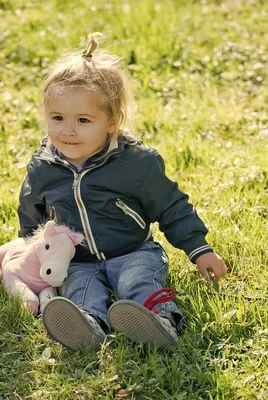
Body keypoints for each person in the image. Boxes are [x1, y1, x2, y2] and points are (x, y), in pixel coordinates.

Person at [18, 34, 227, 351]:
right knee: (81, 289)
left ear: (112, 121)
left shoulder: (136, 163)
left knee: (138, 282)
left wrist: (199, 248)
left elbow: (172, 207)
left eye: (83, 120)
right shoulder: (43, 167)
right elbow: (31, 212)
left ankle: (158, 320)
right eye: (57, 118)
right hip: (77, 260)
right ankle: (87, 325)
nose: (68, 130)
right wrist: (30, 248)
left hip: (133, 251)